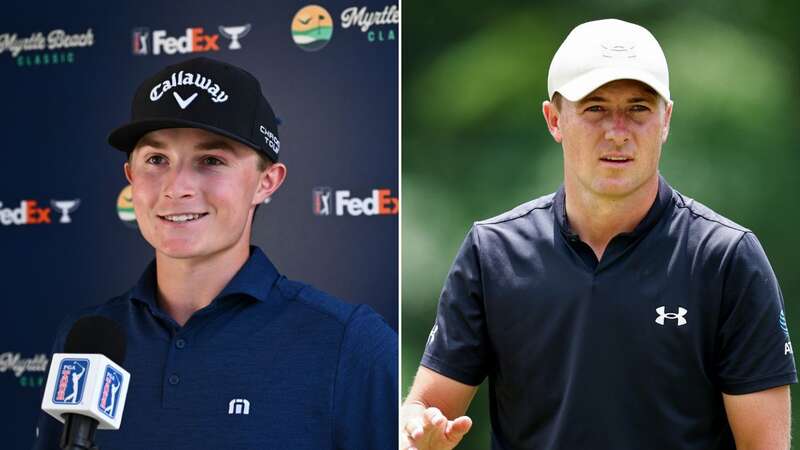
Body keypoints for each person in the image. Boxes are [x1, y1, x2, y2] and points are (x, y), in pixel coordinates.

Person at [401, 19, 796, 450]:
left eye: (639, 109)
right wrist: (420, 434)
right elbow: (425, 412)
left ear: (666, 120)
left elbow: (764, 444)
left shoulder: (726, 258)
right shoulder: (493, 252)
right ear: (554, 120)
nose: (617, 131)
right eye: (595, 108)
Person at [33, 56, 397, 450]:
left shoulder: (351, 343)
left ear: (266, 182)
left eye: (211, 161)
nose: (176, 187)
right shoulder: (86, 340)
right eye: (157, 160)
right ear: (131, 178)